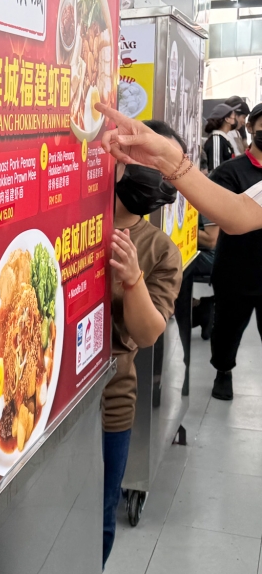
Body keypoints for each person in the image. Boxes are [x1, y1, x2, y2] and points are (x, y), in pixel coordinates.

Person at [99, 122, 184, 574]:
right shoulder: (74, 212)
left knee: (101, 511)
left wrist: (131, 279)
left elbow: (149, 332)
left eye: (158, 167)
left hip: (110, 397)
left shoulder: (158, 250)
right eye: (137, 159)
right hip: (43, 400)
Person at [98, 102, 262, 236]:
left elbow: (239, 214)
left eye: (163, 174)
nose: (160, 177)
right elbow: (240, 212)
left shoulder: (161, 249)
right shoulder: (228, 165)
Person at [203, 104, 262, 400]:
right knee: (226, 330)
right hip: (236, 271)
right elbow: (224, 216)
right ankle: (223, 371)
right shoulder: (231, 171)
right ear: (250, 127)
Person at [202, 103, 238, 172]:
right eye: (233, 117)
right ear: (227, 119)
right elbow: (215, 170)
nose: (235, 120)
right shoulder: (216, 140)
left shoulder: (223, 139)